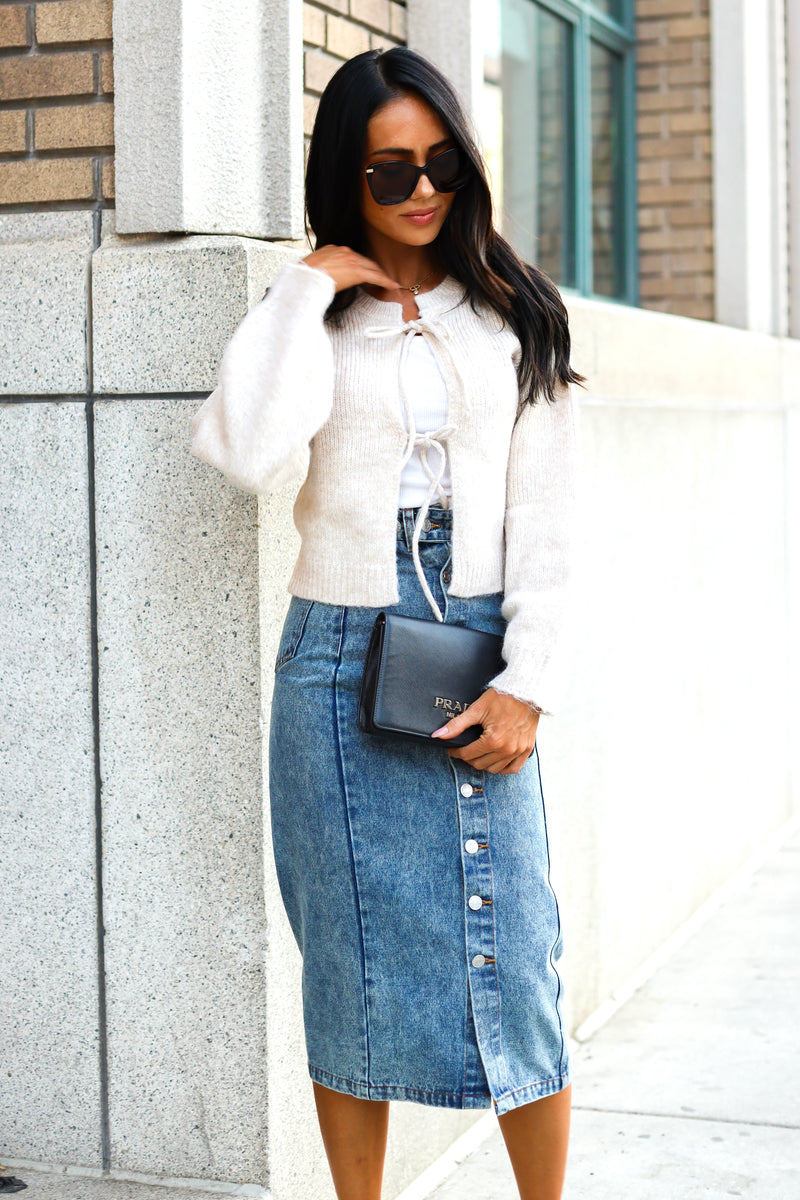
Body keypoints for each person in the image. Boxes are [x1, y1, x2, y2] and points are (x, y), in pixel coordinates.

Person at [190, 46, 583, 1200]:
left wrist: (529, 682)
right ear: (346, 180)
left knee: (515, 961)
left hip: (476, 654)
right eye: (388, 170)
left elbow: (548, 521)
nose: (421, 189)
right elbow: (243, 449)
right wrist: (305, 286)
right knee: (350, 972)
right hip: (335, 664)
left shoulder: (514, 316)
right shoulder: (318, 320)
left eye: (440, 161)